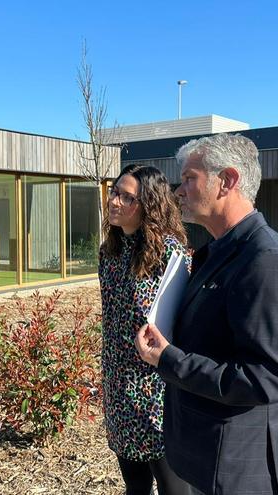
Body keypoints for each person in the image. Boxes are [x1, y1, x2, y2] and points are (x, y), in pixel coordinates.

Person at [135, 134, 278, 495]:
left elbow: (275, 377)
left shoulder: (266, 259)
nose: (178, 191)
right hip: (201, 456)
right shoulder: (214, 252)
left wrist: (170, 360)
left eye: (189, 179)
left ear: (227, 181)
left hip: (233, 469)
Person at [99, 164, 191, 495]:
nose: (115, 202)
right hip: (118, 383)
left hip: (157, 386)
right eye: (114, 192)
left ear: (149, 204)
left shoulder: (170, 252)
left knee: (173, 485)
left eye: (127, 197)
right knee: (134, 484)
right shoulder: (109, 251)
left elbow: (181, 321)